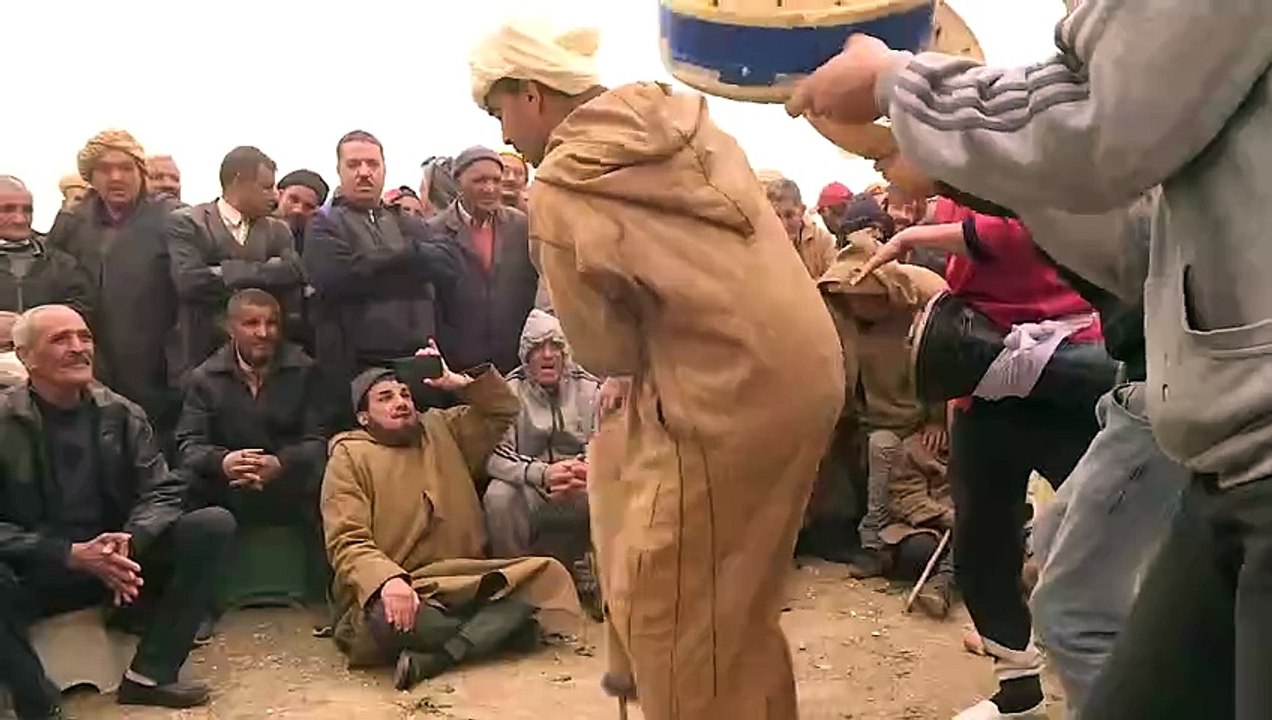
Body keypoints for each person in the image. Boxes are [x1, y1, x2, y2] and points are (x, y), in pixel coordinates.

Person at [470, 19, 844, 720]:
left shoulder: (562, 186)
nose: (504, 134)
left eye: (500, 111)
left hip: (722, 390)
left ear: (532, 94)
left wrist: (634, 362)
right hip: (805, 368)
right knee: (744, 592)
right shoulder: (687, 124)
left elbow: (607, 353)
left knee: (670, 608)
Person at [0, 305, 235, 715]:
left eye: (84, 336)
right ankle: (35, 703)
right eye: (60, 339)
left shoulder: (121, 413)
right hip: (34, 567)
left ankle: (150, 674)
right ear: (25, 357)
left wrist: (129, 541)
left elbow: (161, 492)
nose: (78, 348)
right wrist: (67, 553)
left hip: (114, 564)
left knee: (211, 525)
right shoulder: (4, 421)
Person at [321, 348, 580, 690]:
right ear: (364, 417)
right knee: (391, 620)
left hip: (467, 580)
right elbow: (347, 540)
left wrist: (459, 383)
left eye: (405, 394)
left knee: (541, 582)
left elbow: (503, 408)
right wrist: (388, 582)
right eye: (385, 398)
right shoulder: (349, 457)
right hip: (410, 587)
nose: (400, 402)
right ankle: (494, 633)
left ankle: (441, 656)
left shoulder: (442, 428)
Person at [175, 289, 328, 603]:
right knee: (180, 487)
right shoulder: (204, 378)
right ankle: (195, 606)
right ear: (230, 328)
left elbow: (320, 440)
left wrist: (281, 463)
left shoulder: (305, 370)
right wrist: (224, 462)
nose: (263, 332)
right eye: (252, 323)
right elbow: (188, 445)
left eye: (272, 323)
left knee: (336, 479)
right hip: (227, 484)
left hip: (289, 482)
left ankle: (326, 598)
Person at [302, 130, 459, 428]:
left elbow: (447, 266)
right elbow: (335, 278)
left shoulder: (406, 221)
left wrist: (371, 265)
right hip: (356, 371)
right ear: (339, 170)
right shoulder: (323, 224)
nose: (364, 173)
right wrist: (410, 259)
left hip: (416, 365)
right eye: (354, 164)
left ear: (384, 168)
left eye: (372, 164)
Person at [817, 244, 948, 585]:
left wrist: (935, 419)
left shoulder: (912, 321)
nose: (857, 304)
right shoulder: (843, 323)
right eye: (851, 297)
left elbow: (934, 373)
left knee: (884, 450)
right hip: (864, 420)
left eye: (865, 297)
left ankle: (874, 541)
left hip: (910, 424)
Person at [45, 130, 180, 440]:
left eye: (126, 168)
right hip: (88, 361)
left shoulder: (172, 219)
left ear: (141, 172)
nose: (116, 177)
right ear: (90, 176)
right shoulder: (72, 223)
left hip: (157, 366)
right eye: (105, 169)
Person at [484, 310, 600, 614]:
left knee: (617, 487)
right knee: (498, 495)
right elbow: (495, 455)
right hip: (532, 485)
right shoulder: (509, 391)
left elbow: (607, 441)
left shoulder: (590, 388)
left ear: (566, 352)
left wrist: (585, 469)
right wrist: (541, 474)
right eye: (537, 348)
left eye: (555, 347)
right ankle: (519, 590)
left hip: (583, 483)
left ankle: (604, 586)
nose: (547, 355)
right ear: (526, 356)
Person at [167, 146, 305, 380]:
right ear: (239, 181)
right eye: (266, 187)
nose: (274, 196)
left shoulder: (278, 229)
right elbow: (190, 281)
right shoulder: (188, 223)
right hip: (201, 359)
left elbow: (292, 273)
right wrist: (266, 271)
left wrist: (223, 271)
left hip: (265, 365)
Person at [428, 146, 538, 375]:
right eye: (480, 181)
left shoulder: (521, 227)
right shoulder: (433, 232)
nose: (490, 189)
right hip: (460, 369)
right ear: (458, 182)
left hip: (516, 366)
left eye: (496, 181)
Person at [0, 176, 93, 316]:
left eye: (26, 210)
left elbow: (85, 309)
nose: (20, 219)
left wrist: (36, 325)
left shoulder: (62, 264)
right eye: (7, 210)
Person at [764, 176, 836, 279]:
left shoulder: (822, 240)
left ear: (802, 210)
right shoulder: (761, 240)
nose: (783, 224)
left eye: (789, 215)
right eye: (776, 216)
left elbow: (833, 281)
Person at [276, 169, 330, 254]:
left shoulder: (317, 248)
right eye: (293, 200)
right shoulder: (252, 228)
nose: (298, 210)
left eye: (309, 206)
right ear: (279, 195)